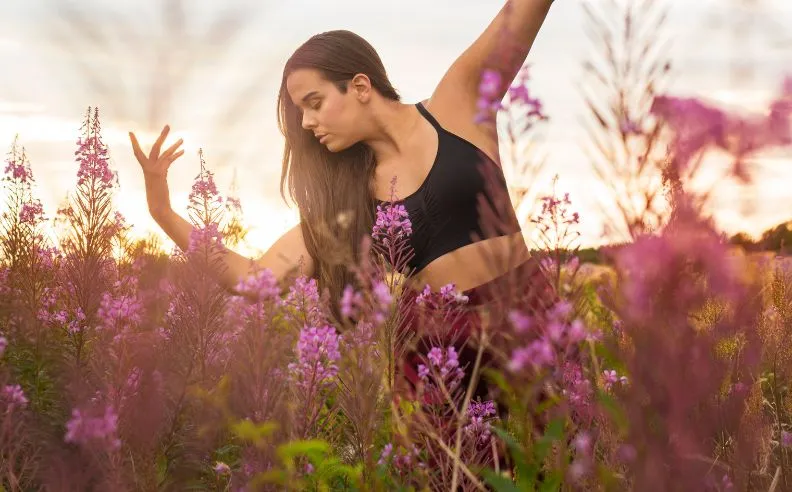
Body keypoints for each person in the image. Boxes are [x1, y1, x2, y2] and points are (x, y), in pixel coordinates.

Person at [130, 1, 556, 400]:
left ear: (359, 85)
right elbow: (251, 278)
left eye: (314, 104)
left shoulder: (456, 105)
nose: (308, 123)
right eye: (301, 112)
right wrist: (162, 213)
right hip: (445, 367)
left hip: (533, 326)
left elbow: (522, 13)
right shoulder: (347, 205)